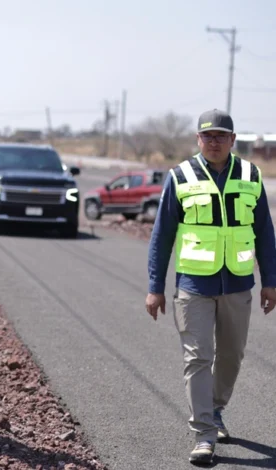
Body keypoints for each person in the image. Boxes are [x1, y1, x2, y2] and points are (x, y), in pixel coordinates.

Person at [146, 109, 276, 465]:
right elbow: (162, 236)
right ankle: (204, 433)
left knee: (232, 356)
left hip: (237, 283)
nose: (214, 141)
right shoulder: (181, 176)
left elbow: (264, 232)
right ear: (198, 139)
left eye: (221, 135)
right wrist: (155, 287)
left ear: (233, 140)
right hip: (193, 286)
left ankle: (215, 409)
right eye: (208, 136)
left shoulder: (250, 175)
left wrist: (271, 282)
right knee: (198, 357)